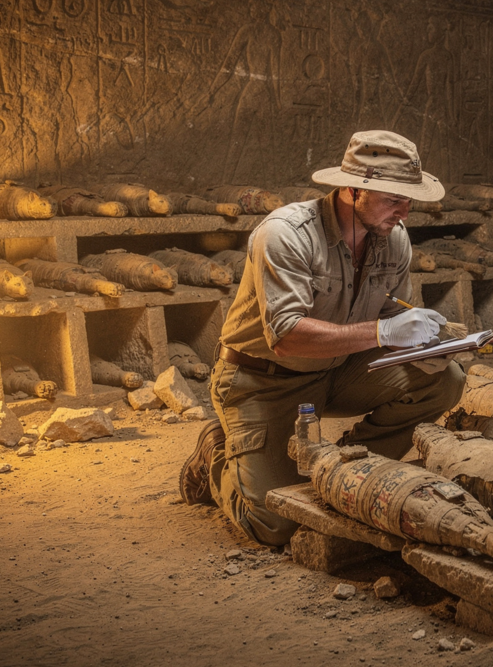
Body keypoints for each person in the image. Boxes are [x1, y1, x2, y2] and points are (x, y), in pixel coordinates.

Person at [179, 130, 466, 547]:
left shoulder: (393, 239)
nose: (405, 211)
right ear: (352, 190)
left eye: (410, 199)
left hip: (337, 372)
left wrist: (428, 346)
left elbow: (390, 316)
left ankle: (348, 467)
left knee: (447, 378)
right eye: (393, 199)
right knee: (277, 525)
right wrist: (384, 331)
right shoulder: (286, 234)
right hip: (263, 381)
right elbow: (287, 337)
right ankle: (216, 453)